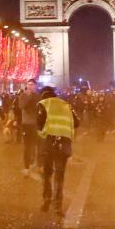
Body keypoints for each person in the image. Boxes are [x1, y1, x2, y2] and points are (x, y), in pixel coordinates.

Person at [36, 86, 78, 215]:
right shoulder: (66, 105)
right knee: (59, 176)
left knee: (47, 174)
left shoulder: (43, 104)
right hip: (63, 144)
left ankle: (46, 199)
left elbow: (39, 123)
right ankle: (57, 206)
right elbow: (77, 122)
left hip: (48, 144)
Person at [17, 80, 40, 177]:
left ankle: (34, 162)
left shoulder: (38, 96)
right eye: (28, 84)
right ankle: (26, 167)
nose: (30, 86)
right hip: (26, 124)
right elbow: (21, 106)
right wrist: (29, 96)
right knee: (27, 146)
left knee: (36, 145)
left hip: (36, 124)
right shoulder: (23, 95)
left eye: (32, 85)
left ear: (35, 86)